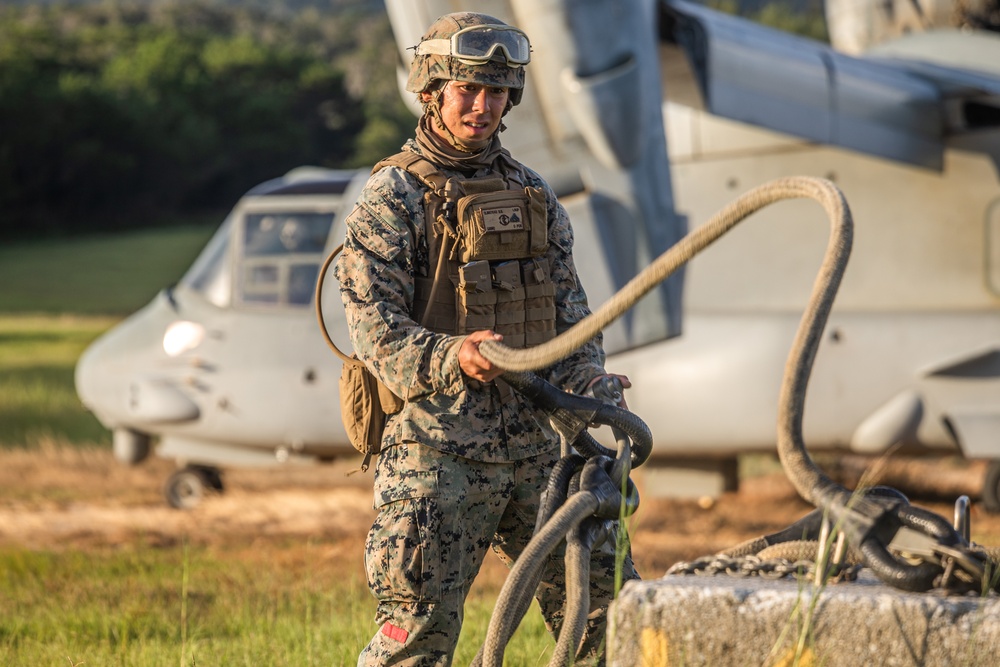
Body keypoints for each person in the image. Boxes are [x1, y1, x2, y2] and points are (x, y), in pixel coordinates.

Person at [335, 11, 639, 666]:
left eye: (496, 91)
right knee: (416, 637)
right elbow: (371, 325)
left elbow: (570, 312)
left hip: (537, 451)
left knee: (610, 618)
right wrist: (452, 355)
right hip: (437, 455)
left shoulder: (533, 192)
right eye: (467, 89)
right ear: (432, 90)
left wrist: (588, 378)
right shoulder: (394, 195)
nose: (482, 105)